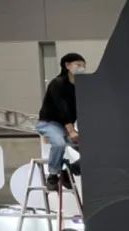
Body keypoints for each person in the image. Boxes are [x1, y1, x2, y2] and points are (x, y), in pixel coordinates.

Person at [37, 52, 86, 192]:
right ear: (67, 65)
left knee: (92, 148)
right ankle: (53, 176)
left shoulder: (79, 87)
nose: (82, 68)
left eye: (83, 65)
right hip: (49, 123)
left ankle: (70, 169)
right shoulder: (57, 84)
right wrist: (71, 130)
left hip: (66, 127)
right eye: (78, 64)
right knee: (59, 142)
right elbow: (61, 108)